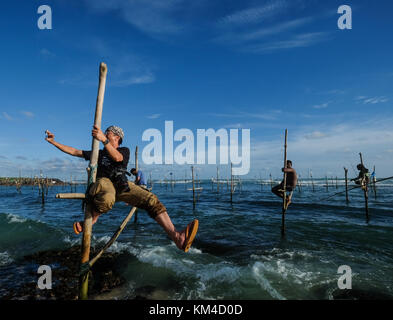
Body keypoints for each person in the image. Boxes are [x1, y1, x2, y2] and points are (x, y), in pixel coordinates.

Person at [45, 125, 198, 252]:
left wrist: (103, 140)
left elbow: (117, 158)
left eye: (108, 133)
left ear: (116, 137)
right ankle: (89, 222)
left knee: (151, 200)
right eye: (104, 133)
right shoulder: (99, 153)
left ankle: (177, 237)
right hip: (104, 182)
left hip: (122, 184)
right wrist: (53, 142)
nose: (104, 134)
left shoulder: (124, 150)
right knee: (107, 198)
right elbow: (74, 151)